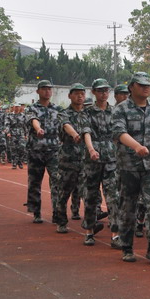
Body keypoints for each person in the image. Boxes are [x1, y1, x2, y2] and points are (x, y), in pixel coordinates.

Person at [111, 72, 150, 265]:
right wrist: (136, 146)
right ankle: (127, 247)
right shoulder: (121, 109)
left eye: (148, 85)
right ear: (132, 87)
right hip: (129, 165)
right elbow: (119, 133)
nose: (146, 88)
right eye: (142, 85)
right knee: (128, 206)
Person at [53, 83, 95, 236]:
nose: (80, 96)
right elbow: (66, 125)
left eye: (82, 94)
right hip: (68, 159)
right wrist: (75, 135)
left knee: (88, 192)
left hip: (85, 159)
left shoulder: (89, 113)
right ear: (69, 96)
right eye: (76, 93)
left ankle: (90, 222)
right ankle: (61, 221)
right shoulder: (63, 113)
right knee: (64, 192)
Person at [83, 79, 120, 247]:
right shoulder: (88, 111)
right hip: (93, 158)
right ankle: (89, 231)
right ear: (93, 92)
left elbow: (120, 133)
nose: (103, 93)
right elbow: (86, 132)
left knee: (113, 196)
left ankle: (115, 234)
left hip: (111, 158)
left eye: (106, 90)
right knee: (91, 195)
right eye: (100, 91)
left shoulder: (115, 111)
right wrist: (91, 149)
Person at [24, 80, 61, 224]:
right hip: (36, 151)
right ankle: (36, 212)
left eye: (49, 89)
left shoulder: (57, 109)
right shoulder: (32, 108)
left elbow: (65, 124)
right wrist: (38, 129)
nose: (47, 91)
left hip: (54, 151)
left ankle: (57, 212)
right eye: (44, 89)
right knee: (34, 182)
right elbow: (33, 119)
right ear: (38, 91)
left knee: (57, 182)